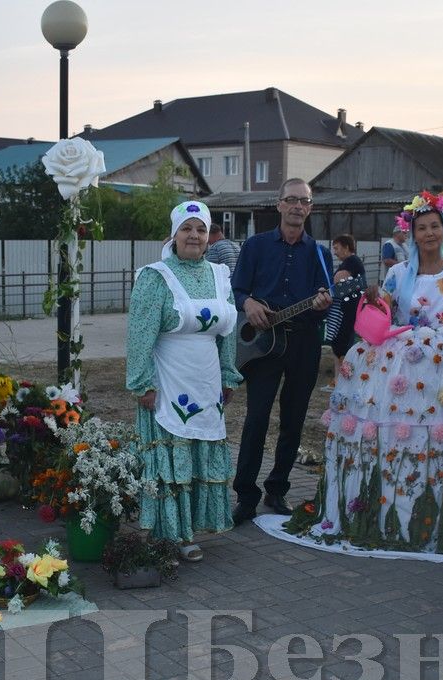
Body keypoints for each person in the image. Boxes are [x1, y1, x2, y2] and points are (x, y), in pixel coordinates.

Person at [292, 191, 443, 558]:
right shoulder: (397, 273)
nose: (429, 233)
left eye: (434, 226)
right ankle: (392, 505)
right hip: (401, 365)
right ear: (412, 233)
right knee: (401, 434)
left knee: (442, 435)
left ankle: (442, 508)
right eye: (422, 228)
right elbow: (386, 318)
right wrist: (373, 300)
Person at [127, 201, 241, 561]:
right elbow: (140, 334)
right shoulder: (155, 276)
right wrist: (142, 382)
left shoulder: (221, 275)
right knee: (171, 462)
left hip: (206, 383)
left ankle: (189, 532)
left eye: (201, 229)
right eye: (187, 228)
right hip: (169, 381)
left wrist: (227, 373)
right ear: (173, 234)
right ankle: (169, 536)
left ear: (209, 237)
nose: (194, 235)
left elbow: (227, 335)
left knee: (198, 456)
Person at [230, 178, 334, 522]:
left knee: (293, 421)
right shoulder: (256, 246)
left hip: (304, 343)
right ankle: (245, 495)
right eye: (291, 199)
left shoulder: (320, 254)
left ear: (310, 208)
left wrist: (322, 304)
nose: (297, 206)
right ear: (278, 204)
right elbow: (236, 289)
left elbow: (326, 302)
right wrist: (248, 305)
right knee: (256, 419)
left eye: (303, 201)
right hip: (263, 344)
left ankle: (277, 490)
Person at [325, 234, 366, 360]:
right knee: (341, 348)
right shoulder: (351, 262)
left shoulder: (351, 261)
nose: (335, 252)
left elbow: (336, 282)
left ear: (346, 247)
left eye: (336, 248)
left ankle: (341, 377)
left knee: (342, 349)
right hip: (347, 312)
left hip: (347, 313)